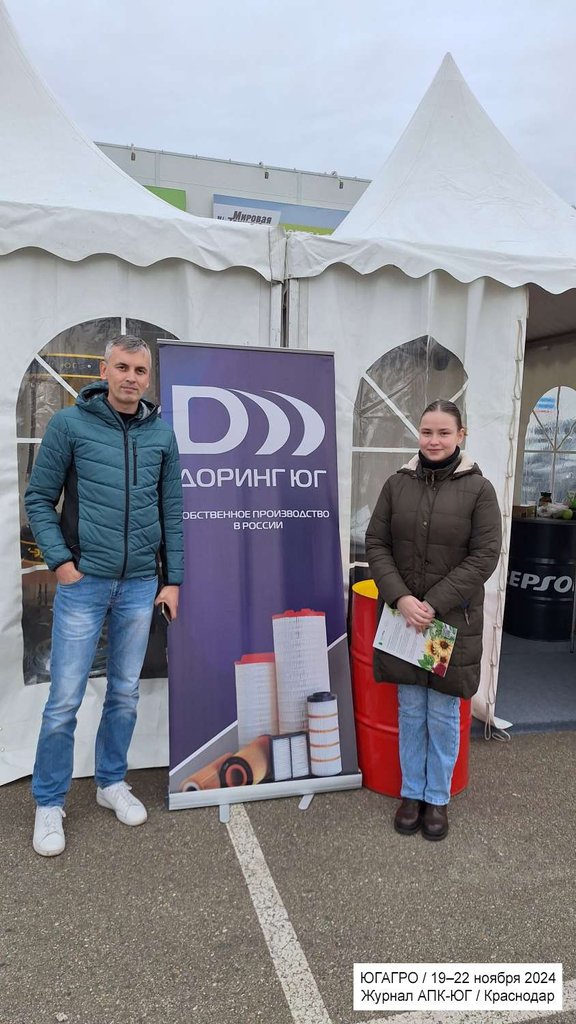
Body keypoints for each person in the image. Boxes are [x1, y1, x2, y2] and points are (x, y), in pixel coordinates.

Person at [25, 336, 184, 857]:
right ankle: (50, 802)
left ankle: (110, 781)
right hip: (85, 583)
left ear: (148, 376)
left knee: (124, 693)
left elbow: (172, 512)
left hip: (139, 585)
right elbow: (39, 498)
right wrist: (61, 563)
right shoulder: (69, 425)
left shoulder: (161, 434)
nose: (131, 377)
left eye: (140, 370)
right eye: (122, 367)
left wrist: (172, 580)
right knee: (64, 700)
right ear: (104, 370)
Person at [365, 400, 501, 841]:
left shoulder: (480, 490)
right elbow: (376, 543)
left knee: (441, 713)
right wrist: (402, 598)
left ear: (461, 435)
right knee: (410, 710)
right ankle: (412, 794)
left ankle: (436, 797)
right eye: (427, 432)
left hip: (449, 624)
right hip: (406, 620)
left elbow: (485, 556)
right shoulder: (396, 484)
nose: (434, 440)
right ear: (418, 434)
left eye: (444, 432)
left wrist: (433, 603)